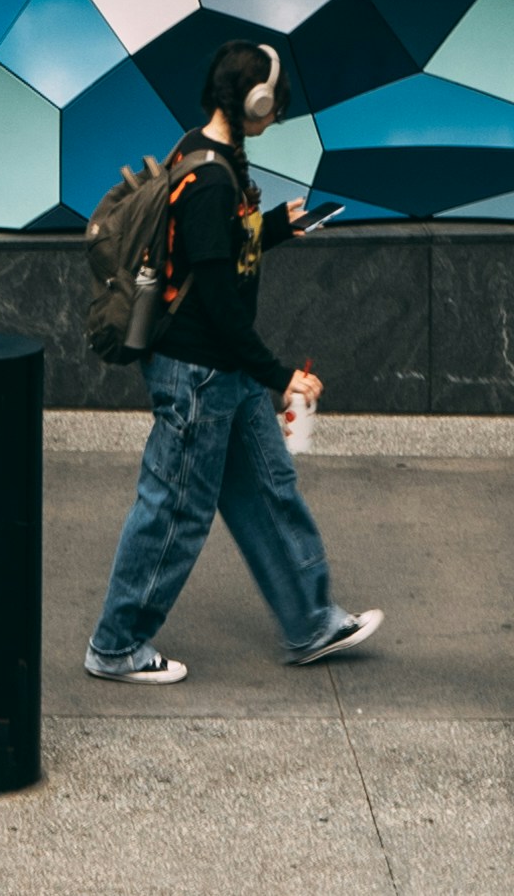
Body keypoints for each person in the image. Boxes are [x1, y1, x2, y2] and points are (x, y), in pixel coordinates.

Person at [84, 36, 384, 681]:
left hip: (223, 369)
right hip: (197, 371)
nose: (277, 116)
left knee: (269, 492)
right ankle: (115, 646)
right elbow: (217, 301)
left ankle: (311, 622)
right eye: (275, 105)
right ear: (257, 101)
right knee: (174, 512)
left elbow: (210, 254)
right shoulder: (210, 181)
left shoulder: (202, 149)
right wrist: (281, 378)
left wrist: (276, 226)